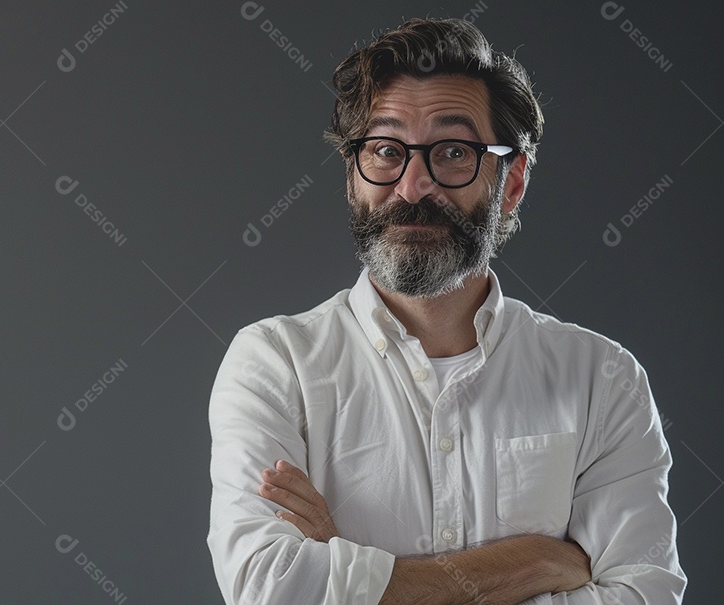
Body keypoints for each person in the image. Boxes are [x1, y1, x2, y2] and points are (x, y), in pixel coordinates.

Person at [206, 17, 685, 605]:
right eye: (385, 150)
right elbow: (270, 589)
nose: (413, 186)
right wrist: (538, 562)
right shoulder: (274, 365)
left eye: (453, 152)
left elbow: (645, 595)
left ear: (510, 184)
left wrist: (349, 573)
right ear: (353, 176)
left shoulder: (602, 380)